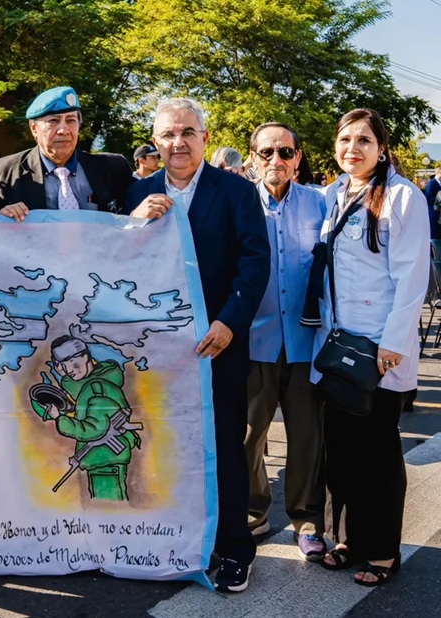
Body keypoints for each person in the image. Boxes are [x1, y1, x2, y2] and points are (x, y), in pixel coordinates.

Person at [124, 97, 270, 592]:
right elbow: (112, 261)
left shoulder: (236, 192)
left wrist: (230, 322)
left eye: (187, 132)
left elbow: (254, 263)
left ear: (204, 138)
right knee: (164, 447)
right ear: (156, 140)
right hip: (155, 353)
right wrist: (133, 221)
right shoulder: (137, 191)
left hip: (216, 347)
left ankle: (233, 549)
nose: (177, 142)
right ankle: (176, 541)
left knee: (223, 446)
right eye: (168, 134)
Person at [311, 109, 429, 587]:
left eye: (364, 141)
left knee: (378, 451)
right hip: (339, 345)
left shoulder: (403, 197)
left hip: (380, 349)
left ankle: (382, 550)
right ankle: (348, 539)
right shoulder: (332, 195)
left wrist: (393, 343)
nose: (352, 149)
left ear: (381, 147)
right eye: (345, 140)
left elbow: (411, 277)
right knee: (340, 450)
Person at [244, 123, 327, 561]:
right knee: (248, 436)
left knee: (306, 436)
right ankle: (254, 512)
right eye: (266, 152)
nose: (275, 160)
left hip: (305, 339)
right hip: (254, 339)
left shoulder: (320, 202)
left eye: (285, 151)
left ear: (298, 157)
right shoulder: (239, 203)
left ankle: (307, 519)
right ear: (253, 157)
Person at [0, 86, 133, 219]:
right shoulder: (3, 172)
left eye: (71, 120)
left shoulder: (114, 168)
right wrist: (2, 219)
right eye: (53, 121)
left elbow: (134, 217)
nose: (63, 130)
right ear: (34, 128)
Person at [30, 335, 141, 500]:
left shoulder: (98, 388)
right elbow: (83, 410)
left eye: (74, 365)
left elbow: (93, 429)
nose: (69, 372)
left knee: (108, 509)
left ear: (85, 356)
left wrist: (59, 419)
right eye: (64, 368)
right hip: (103, 460)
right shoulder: (90, 387)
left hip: (107, 461)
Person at [423, 164, 441, 239]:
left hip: (438, 215)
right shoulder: (431, 184)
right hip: (433, 214)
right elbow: (427, 198)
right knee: (434, 237)